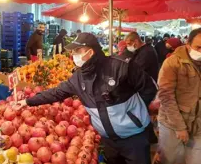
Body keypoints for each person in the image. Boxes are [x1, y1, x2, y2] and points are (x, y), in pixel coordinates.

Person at [14, 33, 157, 164]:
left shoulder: (121, 66)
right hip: (108, 141)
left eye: (77, 51)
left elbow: (149, 87)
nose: (73, 55)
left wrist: (135, 112)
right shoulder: (78, 78)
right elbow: (56, 93)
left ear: (90, 52)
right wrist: (28, 101)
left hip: (134, 138)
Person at [157, 28, 201, 164]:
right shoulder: (172, 62)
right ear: (188, 43)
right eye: (198, 47)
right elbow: (166, 96)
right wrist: (179, 127)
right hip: (172, 123)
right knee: (171, 160)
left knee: (197, 160)